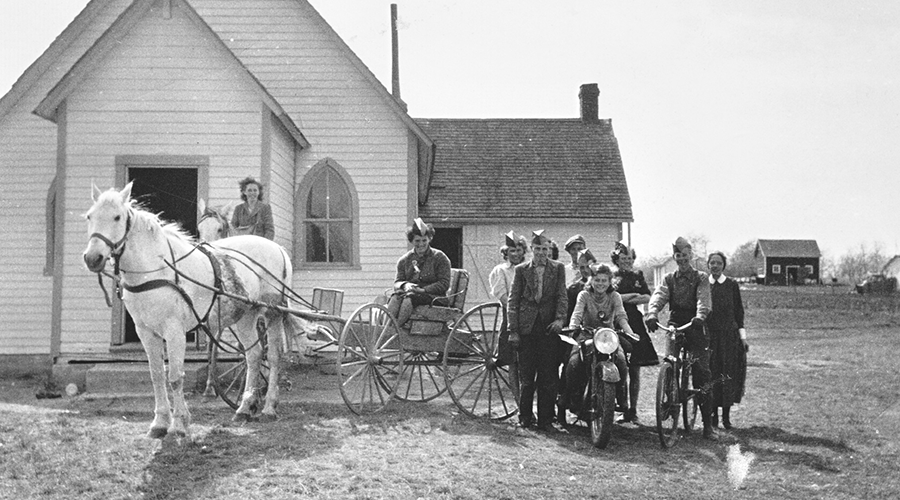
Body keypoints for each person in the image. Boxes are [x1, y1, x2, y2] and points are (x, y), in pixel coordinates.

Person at [645, 237, 716, 439]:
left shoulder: (701, 277)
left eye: (685, 255)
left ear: (690, 256)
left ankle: (708, 425)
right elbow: (659, 295)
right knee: (670, 363)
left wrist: (701, 316)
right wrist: (652, 313)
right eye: (678, 256)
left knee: (702, 371)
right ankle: (670, 402)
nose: (682, 259)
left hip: (695, 324)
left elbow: (704, 299)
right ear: (674, 257)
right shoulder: (669, 278)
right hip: (676, 324)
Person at [508, 230, 568, 431]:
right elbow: (513, 301)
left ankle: (546, 420)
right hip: (527, 329)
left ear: (549, 250)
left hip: (548, 329)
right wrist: (513, 330)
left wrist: (560, 319)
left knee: (548, 376)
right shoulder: (521, 270)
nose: (541, 253)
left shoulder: (558, 269)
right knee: (527, 377)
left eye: (545, 249)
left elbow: (561, 296)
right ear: (531, 250)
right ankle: (525, 416)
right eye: (538, 249)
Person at [563, 263, 639, 420]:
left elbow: (621, 316)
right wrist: (573, 328)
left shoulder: (615, 296)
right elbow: (577, 314)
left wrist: (630, 332)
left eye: (604, 280)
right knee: (573, 362)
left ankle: (620, 395)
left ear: (610, 281)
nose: (600, 284)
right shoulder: (584, 295)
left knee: (621, 361)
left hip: (608, 337)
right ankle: (571, 396)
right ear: (591, 280)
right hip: (587, 335)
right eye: (597, 280)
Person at [611, 242, 659, 424]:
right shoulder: (612, 276)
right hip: (617, 321)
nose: (627, 262)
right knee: (620, 367)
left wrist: (625, 298)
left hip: (635, 323)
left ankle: (633, 409)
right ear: (617, 259)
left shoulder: (638, 275)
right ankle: (621, 407)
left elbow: (647, 296)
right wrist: (631, 296)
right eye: (623, 258)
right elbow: (612, 298)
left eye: (630, 258)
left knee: (635, 370)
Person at [706, 251, 749, 430]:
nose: (715, 266)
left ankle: (726, 417)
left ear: (723, 265)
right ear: (708, 265)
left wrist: (743, 337)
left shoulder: (731, 285)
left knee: (727, 374)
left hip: (729, 337)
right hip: (710, 336)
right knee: (712, 374)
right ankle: (713, 417)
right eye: (712, 263)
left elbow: (739, 313)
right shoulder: (703, 284)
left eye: (718, 263)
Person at [387, 218, 452, 329]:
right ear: (411, 241)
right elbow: (397, 282)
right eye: (417, 241)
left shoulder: (439, 258)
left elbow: (444, 283)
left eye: (424, 240)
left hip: (434, 297)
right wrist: (405, 285)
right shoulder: (405, 260)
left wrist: (423, 290)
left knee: (409, 298)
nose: (421, 244)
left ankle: (397, 329)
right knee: (396, 296)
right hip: (411, 293)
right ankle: (386, 328)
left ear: (429, 239)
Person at [488, 231, 528, 397]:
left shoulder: (528, 269)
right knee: (513, 362)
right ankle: (520, 403)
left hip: (529, 318)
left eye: (519, 249)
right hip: (511, 317)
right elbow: (503, 296)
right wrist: (518, 310)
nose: (516, 253)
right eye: (512, 250)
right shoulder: (501, 271)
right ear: (506, 252)